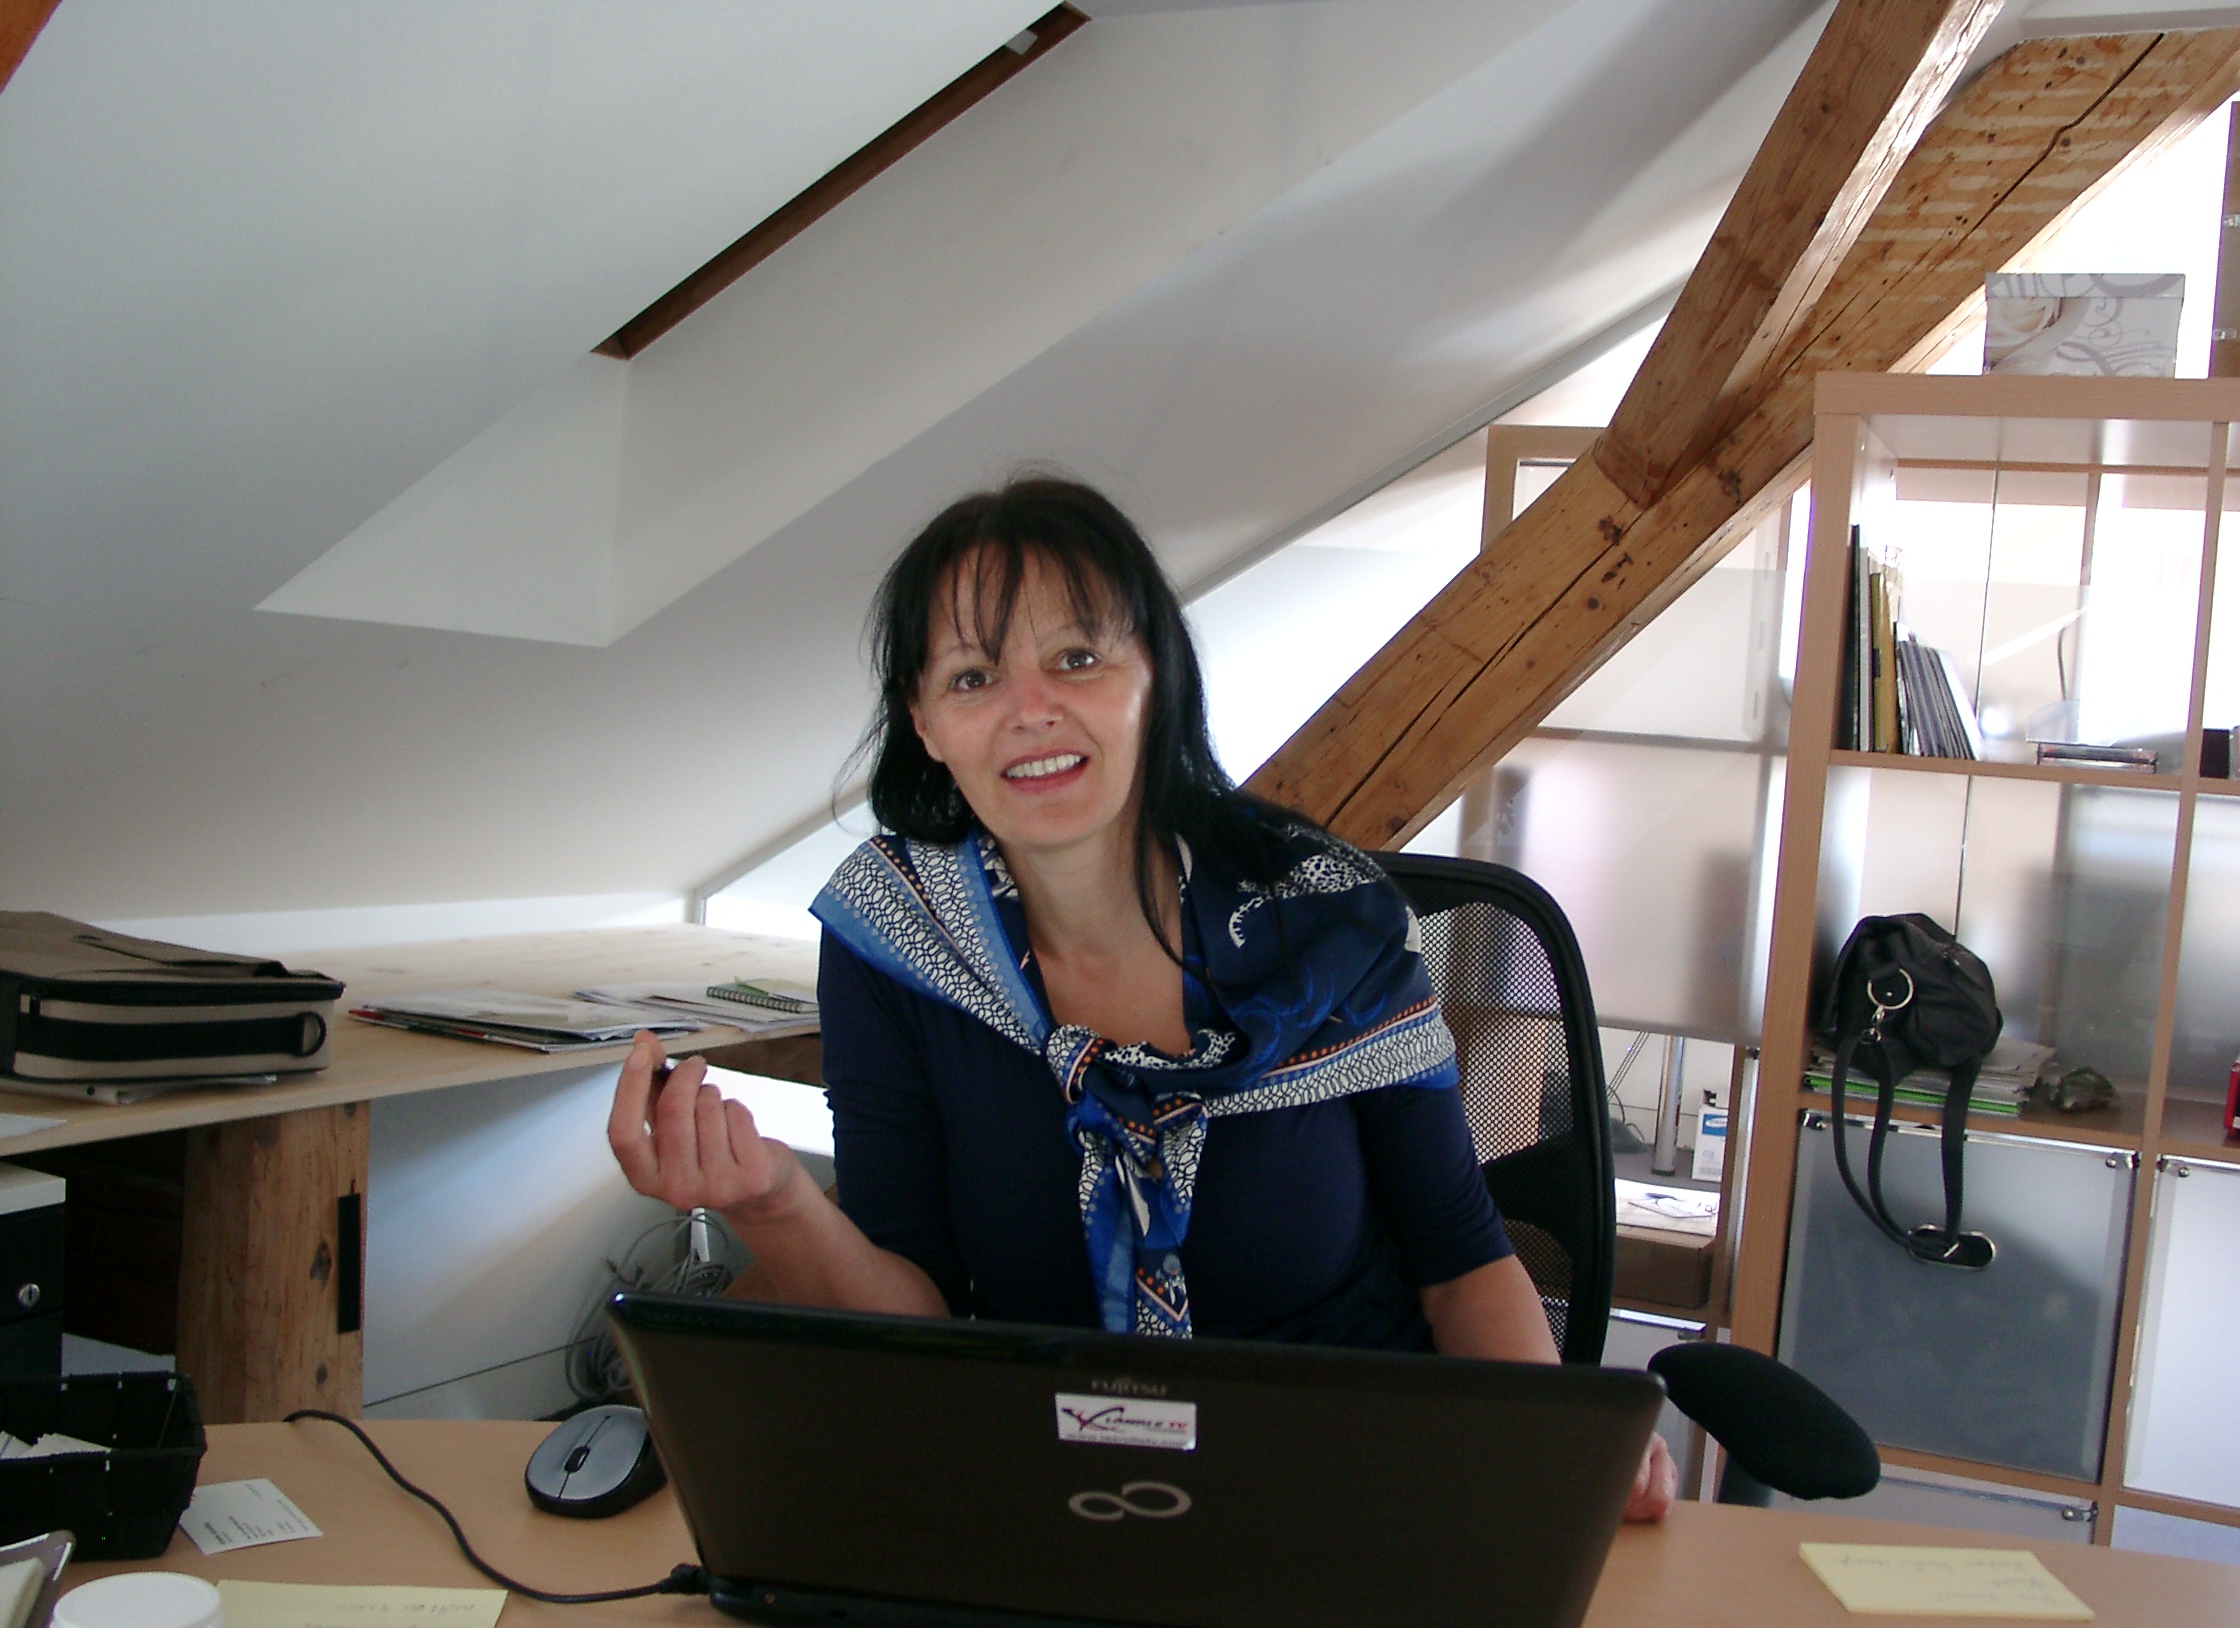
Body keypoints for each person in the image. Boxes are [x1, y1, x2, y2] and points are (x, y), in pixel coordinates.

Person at [607, 476, 1676, 1521]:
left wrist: (1556, 1440)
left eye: (1076, 658)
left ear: (1154, 674)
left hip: (1349, 1483)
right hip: (1053, 1492)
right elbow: (914, 1319)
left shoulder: (1324, 924)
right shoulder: (897, 940)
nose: (1030, 711)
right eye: (973, 677)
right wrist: (774, 1206)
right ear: (924, 722)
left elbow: (1460, 1261)